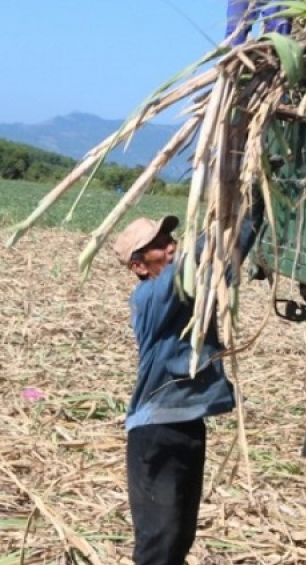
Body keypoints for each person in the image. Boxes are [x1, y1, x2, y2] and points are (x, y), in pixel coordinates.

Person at [115, 215, 235, 565]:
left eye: (170, 238)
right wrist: (220, 216)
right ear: (139, 266)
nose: (170, 246)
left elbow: (225, 254)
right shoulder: (150, 296)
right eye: (158, 245)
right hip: (156, 431)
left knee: (180, 536)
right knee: (160, 539)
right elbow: (194, 257)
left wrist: (250, 208)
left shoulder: (191, 289)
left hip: (189, 424)